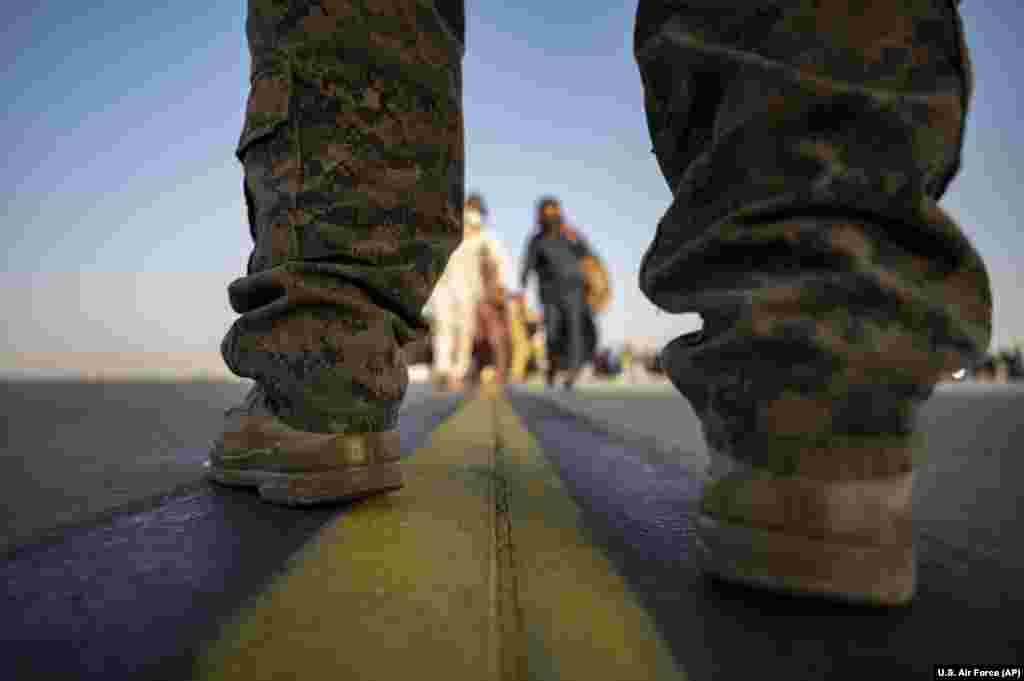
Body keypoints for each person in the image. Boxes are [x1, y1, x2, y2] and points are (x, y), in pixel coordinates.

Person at [210, 0, 990, 606]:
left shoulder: (565, 238)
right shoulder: (539, 239)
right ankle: (819, 388)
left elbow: (543, 266)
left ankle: (323, 374)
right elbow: (513, 262)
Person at [425, 193, 510, 391]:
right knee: (443, 326)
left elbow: (499, 259)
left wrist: (500, 285)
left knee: (465, 330)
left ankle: (458, 370)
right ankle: (443, 369)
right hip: (443, 285)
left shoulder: (484, 236)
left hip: (469, 289)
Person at [519, 197, 595, 390]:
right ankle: (552, 368)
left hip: (575, 290)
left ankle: (573, 371)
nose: (552, 215)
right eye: (548, 212)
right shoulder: (536, 240)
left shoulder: (570, 233)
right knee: (552, 332)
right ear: (540, 215)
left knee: (574, 329)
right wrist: (522, 288)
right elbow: (527, 266)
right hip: (549, 294)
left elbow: (588, 256)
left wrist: (592, 284)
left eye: (555, 211)